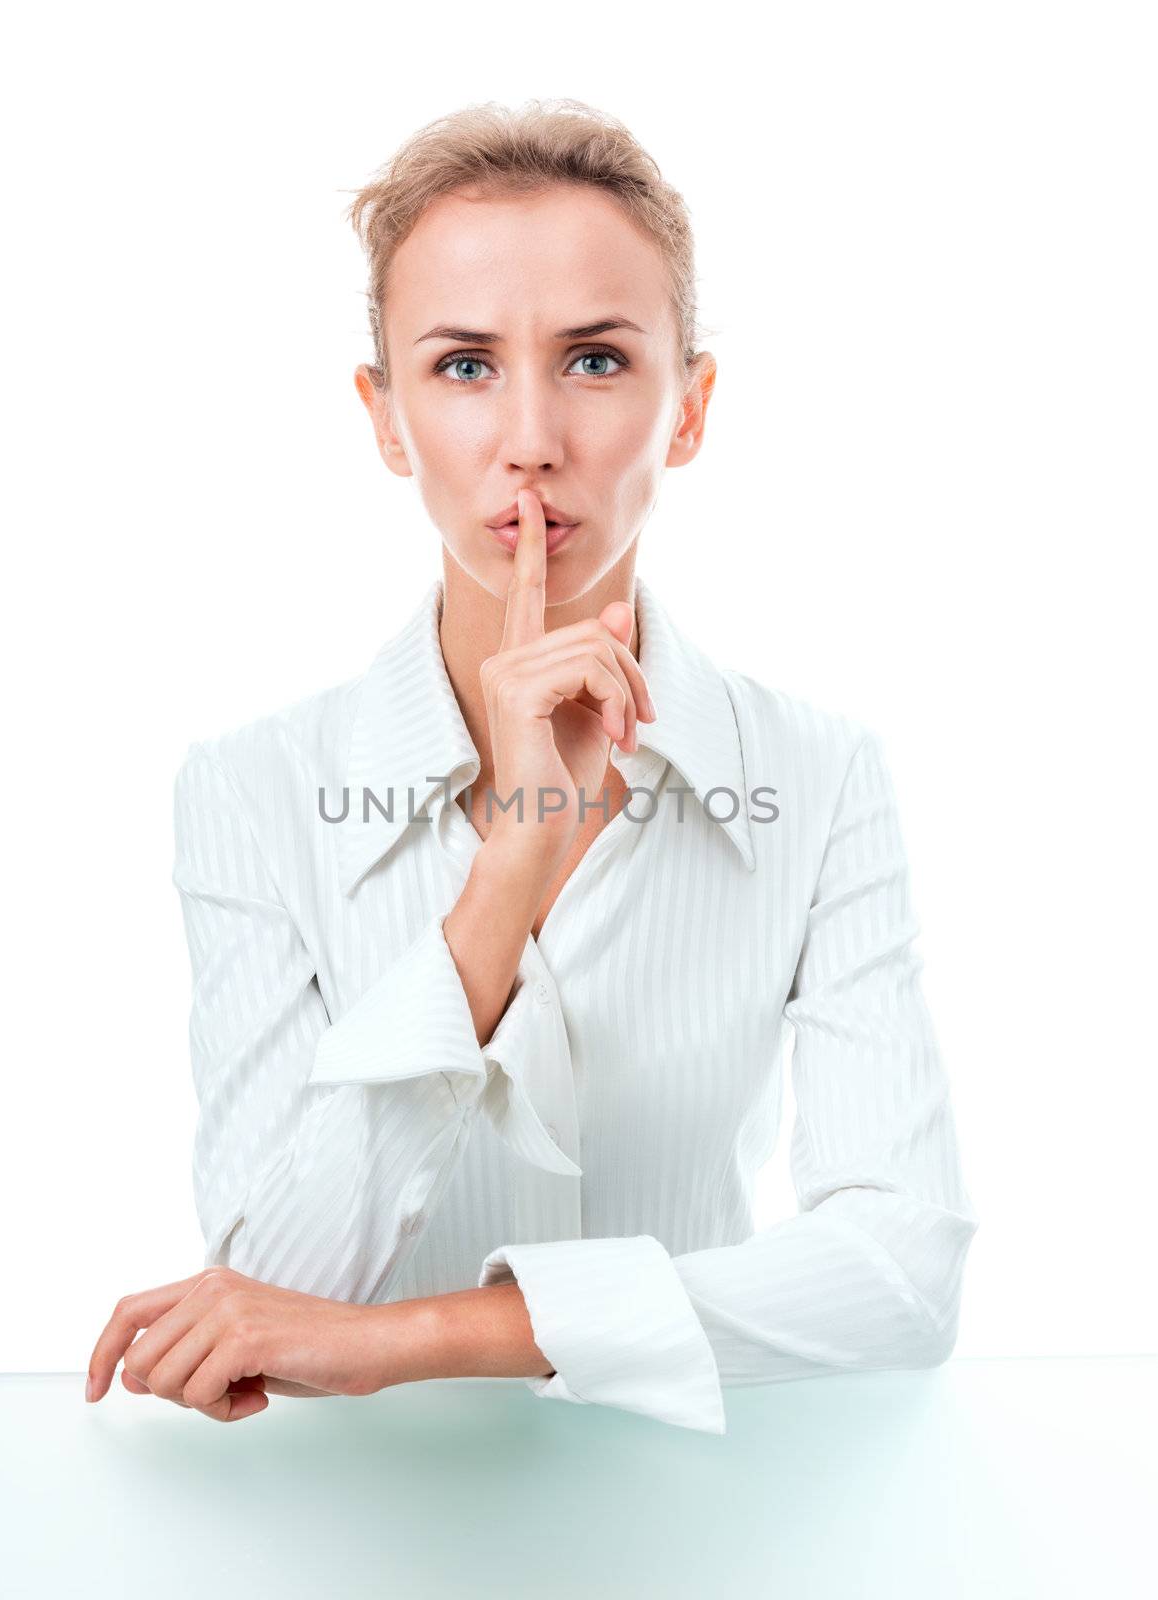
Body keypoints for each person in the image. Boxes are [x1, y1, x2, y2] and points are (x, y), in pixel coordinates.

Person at [85, 99, 979, 1432]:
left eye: (597, 361)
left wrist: (423, 1337)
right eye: (460, 367)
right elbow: (268, 1293)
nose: (529, 440)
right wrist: (508, 875)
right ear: (385, 422)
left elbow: (901, 1279)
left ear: (689, 407)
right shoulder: (252, 788)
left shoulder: (821, 775)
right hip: (357, 1541)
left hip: (709, 1531)